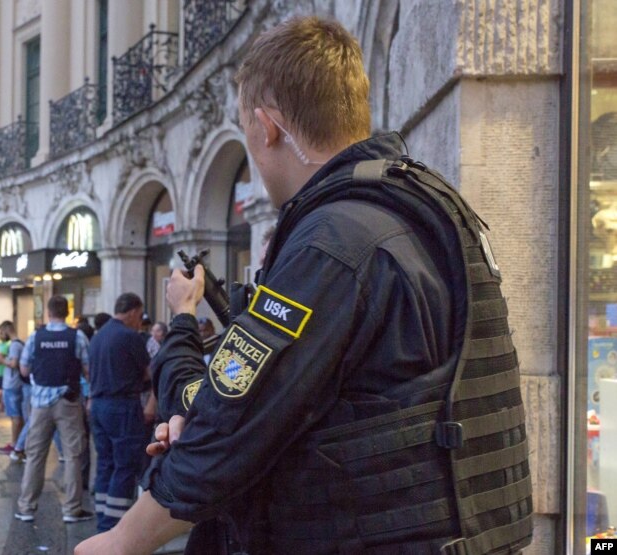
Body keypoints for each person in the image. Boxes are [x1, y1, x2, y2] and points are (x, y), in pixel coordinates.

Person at [76, 16, 531, 555]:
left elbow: (228, 422)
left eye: (248, 138)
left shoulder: (332, 243)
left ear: (267, 127)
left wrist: (122, 540)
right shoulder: (419, 209)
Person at [14, 295, 94, 524]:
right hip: (68, 402)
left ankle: (26, 507)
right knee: (72, 456)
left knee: (35, 456)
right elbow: (88, 371)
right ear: (67, 312)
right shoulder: (77, 336)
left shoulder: (36, 337)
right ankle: (72, 509)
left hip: (40, 404)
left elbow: (24, 369)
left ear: (48, 313)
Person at [87, 293, 154, 532]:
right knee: (125, 465)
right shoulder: (129, 336)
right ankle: (114, 526)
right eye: (140, 316)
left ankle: (102, 518)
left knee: (105, 463)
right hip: (122, 406)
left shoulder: (98, 336)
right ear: (134, 312)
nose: (140, 321)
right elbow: (148, 373)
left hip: (98, 406)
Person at [0, 321, 25, 455]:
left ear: (7, 330)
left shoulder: (14, 345)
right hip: (15, 384)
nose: (1, 335)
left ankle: (15, 444)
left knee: (15, 416)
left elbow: (13, 364)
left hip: (12, 385)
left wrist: (2, 360)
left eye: (2, 332)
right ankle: (18, 443)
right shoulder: (19, 344)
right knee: (16, 416)